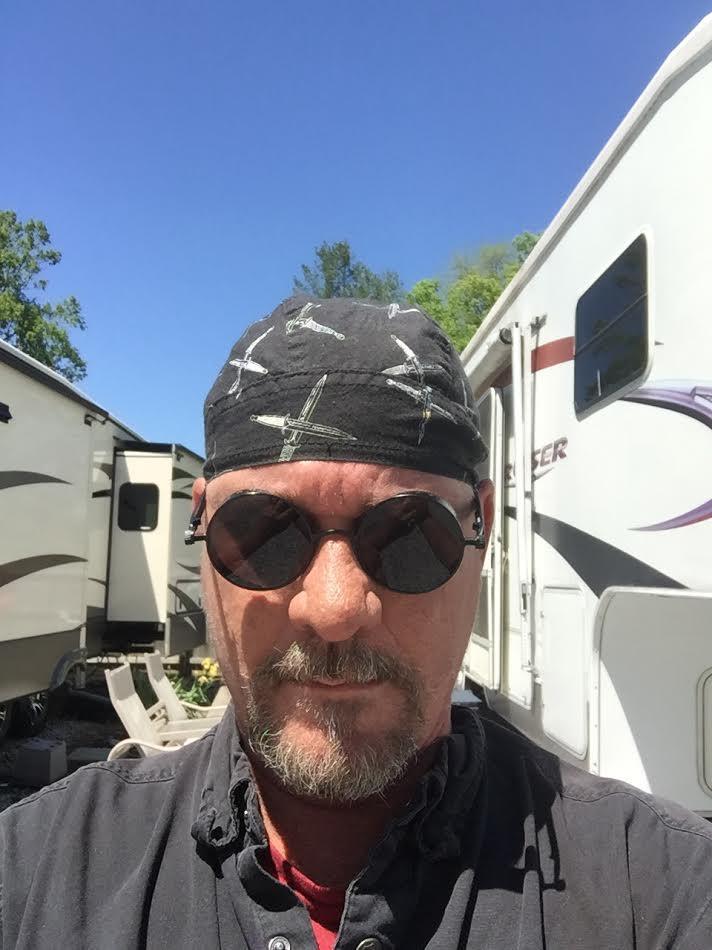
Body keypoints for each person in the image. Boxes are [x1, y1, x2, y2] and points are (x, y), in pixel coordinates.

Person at [1, 295, 711, 950]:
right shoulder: (36, 873)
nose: (336, 608)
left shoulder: (659, 891)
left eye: (409, 535)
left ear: (483, 529)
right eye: (264, 534)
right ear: (202, 524)